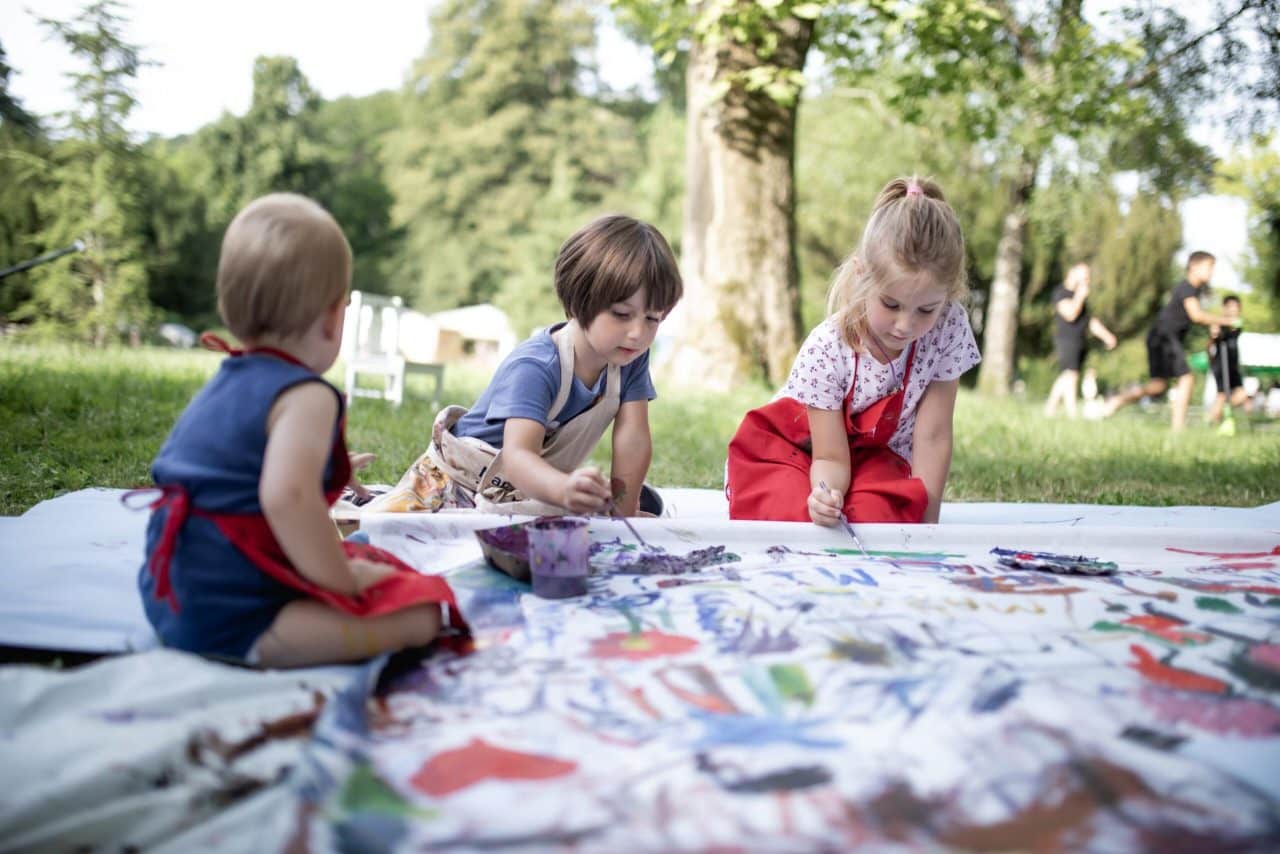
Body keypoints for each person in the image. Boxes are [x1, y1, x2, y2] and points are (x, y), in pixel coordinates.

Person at [133, 194, 462, 668]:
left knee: (363, 555)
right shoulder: (306, 394)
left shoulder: (228, 377)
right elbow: (287, 498)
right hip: (233, 614)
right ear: (334, 318)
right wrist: (341, 579)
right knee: (423, 615)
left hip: (169, 591)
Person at [364, 214, 683, 517]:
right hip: (459, 483)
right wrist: (563, 491)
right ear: (580, 301)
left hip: (530, 489)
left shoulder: (630, 357)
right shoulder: (536, 365)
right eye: (622, 314)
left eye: (653, 318)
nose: (638, 333)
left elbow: (633, 439)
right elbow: (518, 458)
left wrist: (621, 514)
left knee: (643, 505)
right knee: (401, 537)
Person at [726, 176, 980, 526]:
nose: (905, 325)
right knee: (794, 517)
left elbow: (933, 436)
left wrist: (925, 527)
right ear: (862, 277)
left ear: (948, 296)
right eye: (891, 304)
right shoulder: (828, 347)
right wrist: (826, 497)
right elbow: (830, 457)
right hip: (799, 449)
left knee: (880, 520)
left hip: (874, 459)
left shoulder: (949, 326)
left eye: (926, 310)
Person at [1103, 252, 1238, 430]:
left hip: (1161, 337)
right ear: (1194, 267)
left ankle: (1116, 401)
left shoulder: (1193, 291)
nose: (1212, 272)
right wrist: (1226, 321)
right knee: (1187, 379)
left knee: (1157, 386)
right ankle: (1178, 430)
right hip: (1164, 336)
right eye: (1209, 267)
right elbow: (1196, 316)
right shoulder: (1187, 288)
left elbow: (1194, 317)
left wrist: (1212, 325)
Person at [1043, 262, 1117, 418]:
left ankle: (1049, 410)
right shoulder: (1061, 292)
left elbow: (1089, 321)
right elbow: (1070, 313)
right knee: (1071, 375)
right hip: (1066, 340)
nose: (1087, 281)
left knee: (1066, 376)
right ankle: (1072, 414)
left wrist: (1106, 336)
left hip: (1079, 341)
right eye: (1085, 276)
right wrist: (1080, 296)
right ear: (1073, 273)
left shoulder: (1080, 298)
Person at [1207, 294, 1252, 426]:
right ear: (1224, 308)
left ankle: (1216, 414)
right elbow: (1211, 341)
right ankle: (1212, 421)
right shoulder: (1219, 323)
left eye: (1236, 307)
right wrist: (1214, 333)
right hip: (1222, 365)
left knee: (1241, 394)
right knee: (1221, 395)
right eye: (1231, 307)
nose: (1234, 310)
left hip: (1233, 366)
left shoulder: (1237, 325)